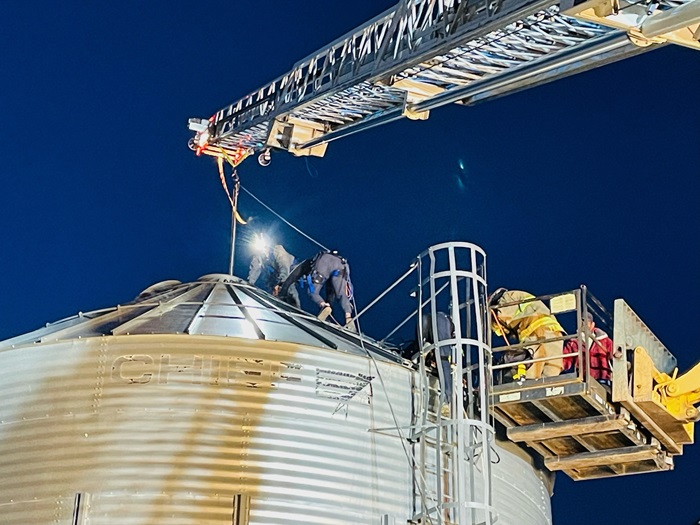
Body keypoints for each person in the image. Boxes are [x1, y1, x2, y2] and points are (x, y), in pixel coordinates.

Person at [490, 288, 565, 380]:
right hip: (554, 332)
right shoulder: (517, 297)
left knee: (529, 375)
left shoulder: (504, 300)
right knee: (551, 374)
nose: (501, 333)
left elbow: (504, 320)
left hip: (536, 334)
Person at [281, 250, 356, 331]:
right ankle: (348, 317)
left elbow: (291, 278)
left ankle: (323, 305)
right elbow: (330, 294)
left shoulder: (305, 265)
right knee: (341, 294)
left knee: (313, 292)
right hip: (342, 264)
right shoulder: (325, 271)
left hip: (325, 262)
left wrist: (281, 294)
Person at [563, 312, 613, 385]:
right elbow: (565, 361)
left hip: (603, 380)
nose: (584, 324)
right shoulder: (574, 343)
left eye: (587, 322)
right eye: (582, 321)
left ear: (593, 324)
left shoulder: (605, 341)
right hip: (584, 381)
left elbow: (615, 357)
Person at [247, 239, 300, 309]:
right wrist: (249, 283)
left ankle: (296, 308)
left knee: (289, 288)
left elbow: (284, 267)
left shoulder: (279, 251)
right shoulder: (258, 256)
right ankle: (276, 308)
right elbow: (255, 268)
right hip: (273, 277)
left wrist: (280, 284)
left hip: (288, 274)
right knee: (274, 292)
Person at [421, 312, 455, 414]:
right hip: (442, 348)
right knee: (444, 364)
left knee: (442, 361)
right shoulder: (448, 322)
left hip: (436, 344)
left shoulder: (428, 319)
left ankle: (445, 402)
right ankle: (445, 402)